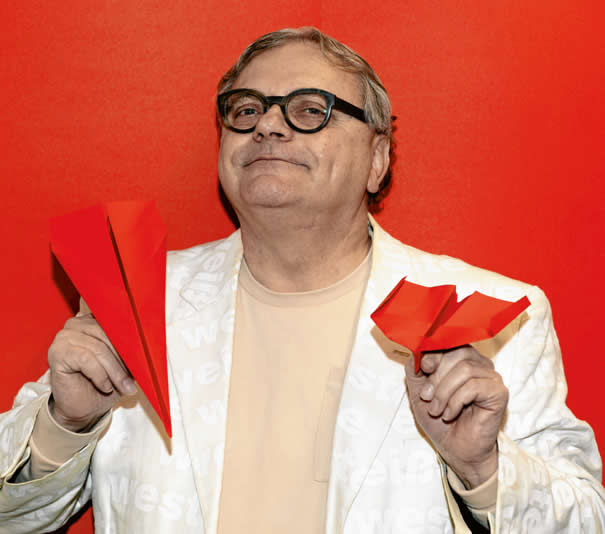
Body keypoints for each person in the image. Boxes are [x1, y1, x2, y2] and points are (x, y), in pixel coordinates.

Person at [0, 27, 603, 534]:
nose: (267, 126)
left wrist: (484, 471)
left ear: (377, 160)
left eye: (311, 110)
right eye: (246, 109)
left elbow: (587, 520)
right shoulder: (132, 297)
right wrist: (64, 425)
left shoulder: (493, 315)